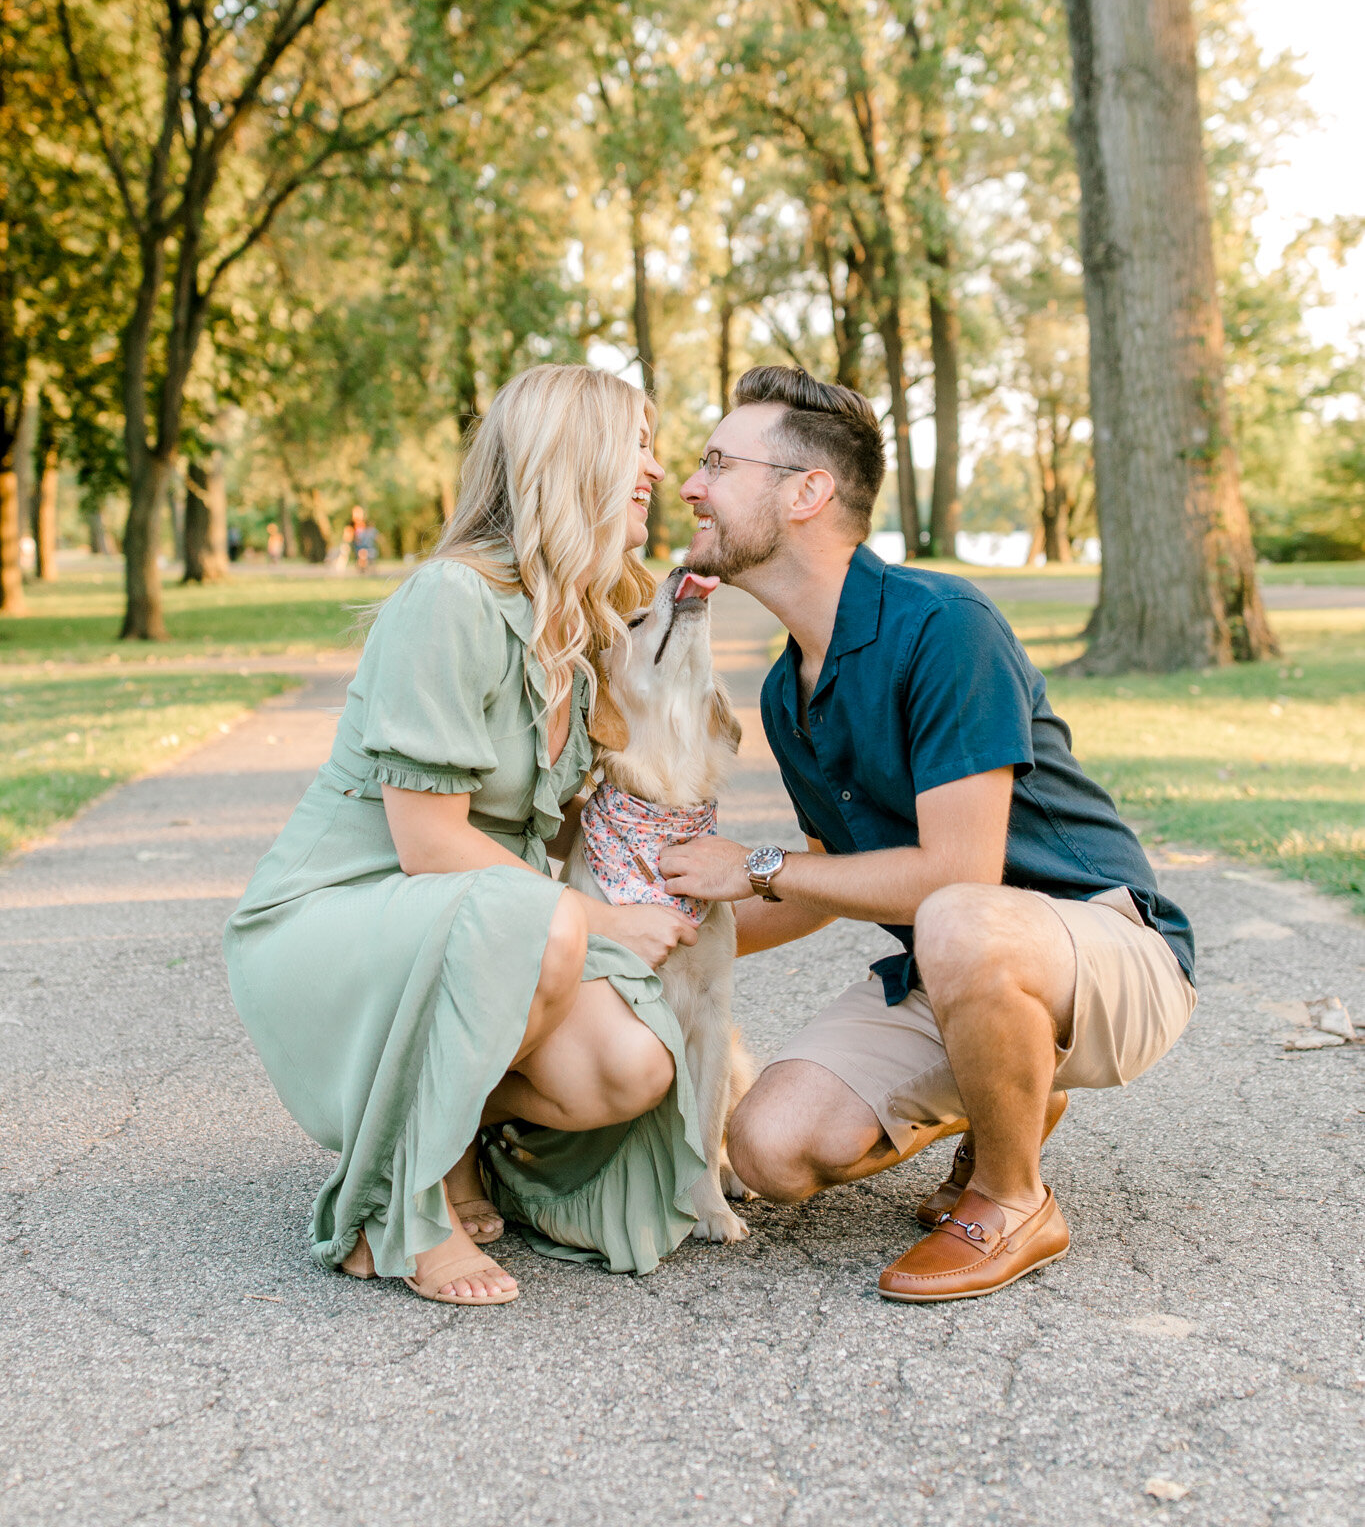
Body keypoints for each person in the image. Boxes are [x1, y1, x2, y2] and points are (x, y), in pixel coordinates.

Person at [659, 365, 1196, 1303]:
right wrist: (645, 938)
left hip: (1111, 949)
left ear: (805, 492)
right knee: (768, 1148)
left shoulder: (943, 626)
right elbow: (831, 874)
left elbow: (955, 872)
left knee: (954, 914)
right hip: (959, 965)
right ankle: (1013, 1089)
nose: (691, 485)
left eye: (715, 462)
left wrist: (752, 865)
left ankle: (1011, 1195)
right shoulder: (791, 692)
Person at [224, 365, 709, 1306]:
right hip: (342, 918)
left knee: (632, 1067)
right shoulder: (450, 600)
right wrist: (601, 927)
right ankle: (398, 1204)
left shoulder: (586, 623)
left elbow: (572, 835)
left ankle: (456, 1135)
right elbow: (428, 844)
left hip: (491, 926)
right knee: (557, 928)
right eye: (637, 444)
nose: (656, 467)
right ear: (572, 461)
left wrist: (720, 877)